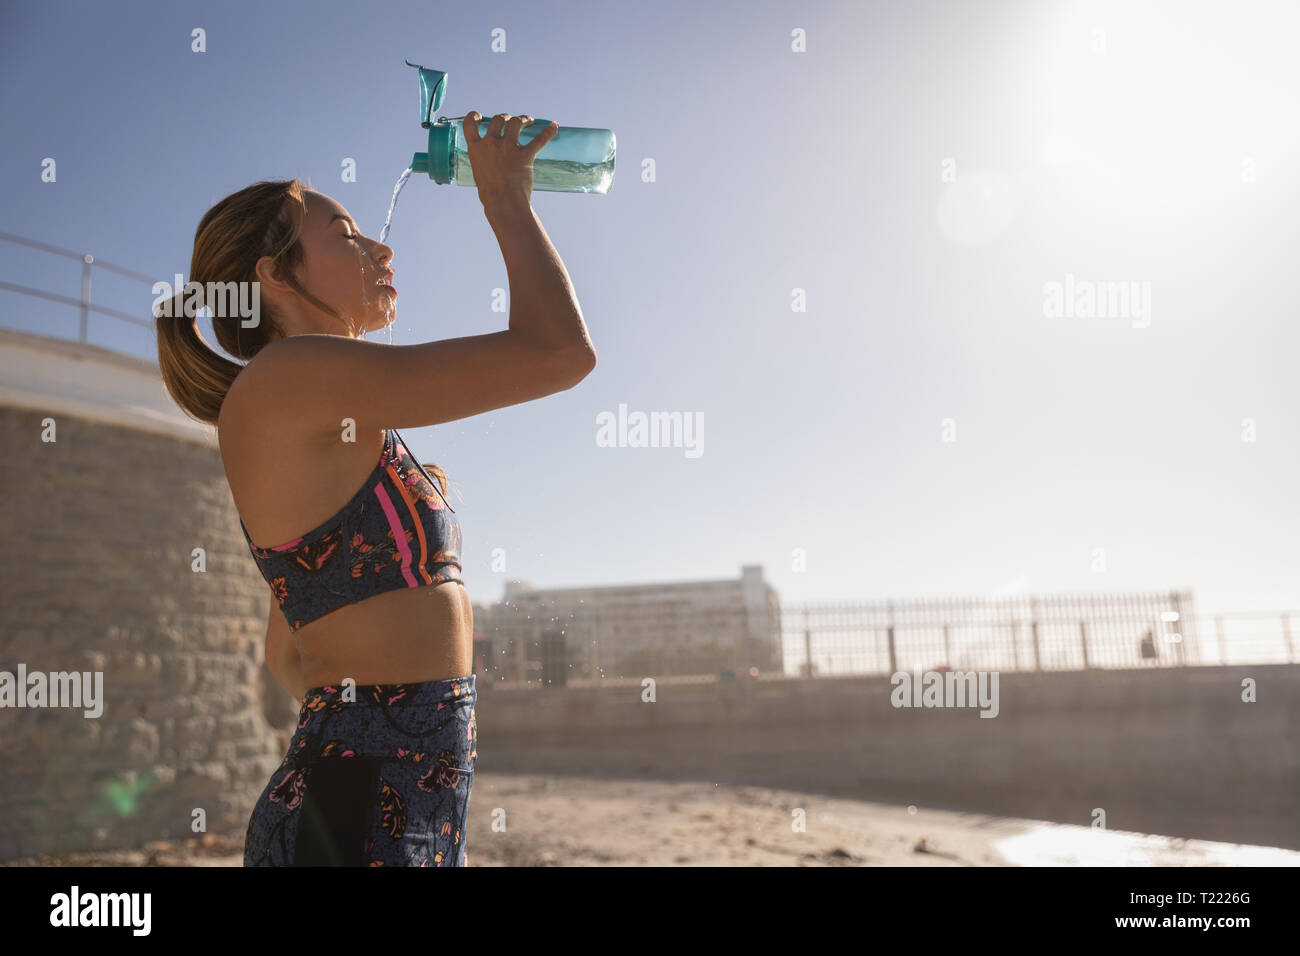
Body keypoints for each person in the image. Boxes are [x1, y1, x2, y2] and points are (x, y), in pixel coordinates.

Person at [155, 112, 596, 866]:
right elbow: (559, 353)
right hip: (360, 811)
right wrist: (505, 201)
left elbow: (287, 655)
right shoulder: (285, 379)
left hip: (385, 806)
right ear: (274, 273)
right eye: (346, 234)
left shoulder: (313, 405)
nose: (380, 247)